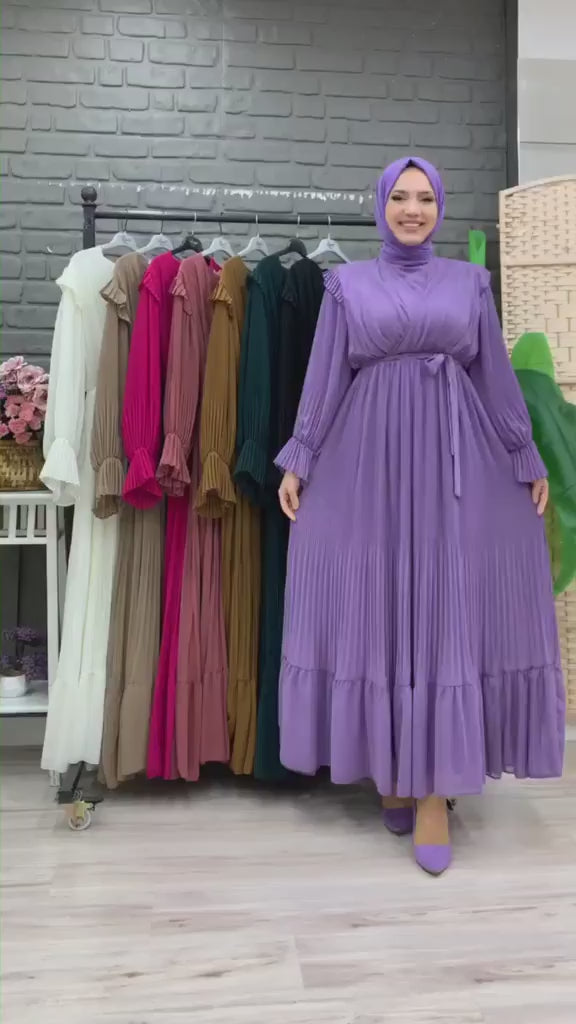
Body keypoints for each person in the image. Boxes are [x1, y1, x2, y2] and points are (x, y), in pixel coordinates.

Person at [276, 156, 565, 876]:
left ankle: (433, 792)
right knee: (381, 607)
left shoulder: (470, 283)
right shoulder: (346, 284)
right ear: (381, 205)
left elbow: (494, 374)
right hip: (367, 462)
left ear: (440, 206)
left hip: (455, 462)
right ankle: (394, 770)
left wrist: (524, 452)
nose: (413, 209)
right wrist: (300, 456)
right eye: (400, 197)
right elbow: (325, 375)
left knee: (443, 612)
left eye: (426, 197)